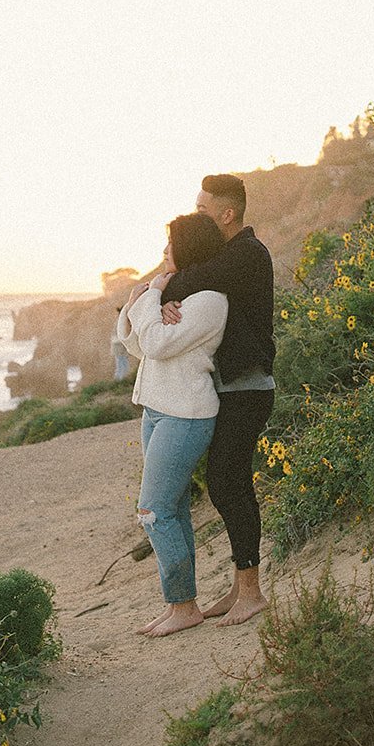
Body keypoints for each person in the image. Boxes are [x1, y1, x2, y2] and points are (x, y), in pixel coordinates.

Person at [160, 174, 275, 626]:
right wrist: (170, 293)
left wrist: (166, 290)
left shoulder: (246, 253)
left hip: (247, 388)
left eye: (204, 210)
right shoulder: (230, 254)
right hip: (233, 388)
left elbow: (189, 278)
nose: (197, 217)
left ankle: (252, 592)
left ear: (227, 214)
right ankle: (239, 587)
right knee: (227, 482)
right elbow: (189, 280)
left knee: (230, 483)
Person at [116, 212, 228, 637]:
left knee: (153, 511)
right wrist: (138, 302)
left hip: (187, 414)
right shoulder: (173, 297)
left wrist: (152, 299)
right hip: (157, 411)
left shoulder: (208, 301)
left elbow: (158, 345)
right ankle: (182, 604)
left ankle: (183, 606)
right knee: (173, 509)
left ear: (188, 248)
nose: (163, 252)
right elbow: (135, 345)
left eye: (169, 245)